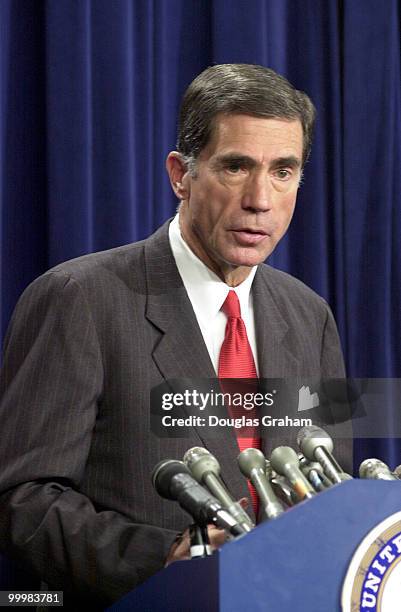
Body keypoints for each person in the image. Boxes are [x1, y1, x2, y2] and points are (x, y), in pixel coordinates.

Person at [0, 64, 350, 609]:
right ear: (180, 175)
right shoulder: (81, 299)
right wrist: (164, 558)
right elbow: (22, 500)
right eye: (237, 167)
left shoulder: (310, 316)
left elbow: (329, 491)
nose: (260, 199)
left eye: (283, 171)